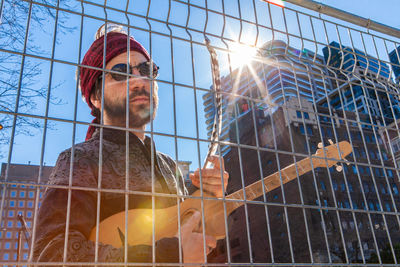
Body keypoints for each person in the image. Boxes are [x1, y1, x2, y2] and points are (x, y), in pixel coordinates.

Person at [32, 25, 229, 265]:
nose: (139, 81)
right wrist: (169, 255)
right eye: (120, 72)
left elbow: (194, 237)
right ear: (95, 97)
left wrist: (211, 196)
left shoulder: (169, 166)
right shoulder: (79, 159)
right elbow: (48, 254)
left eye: (146, 70)